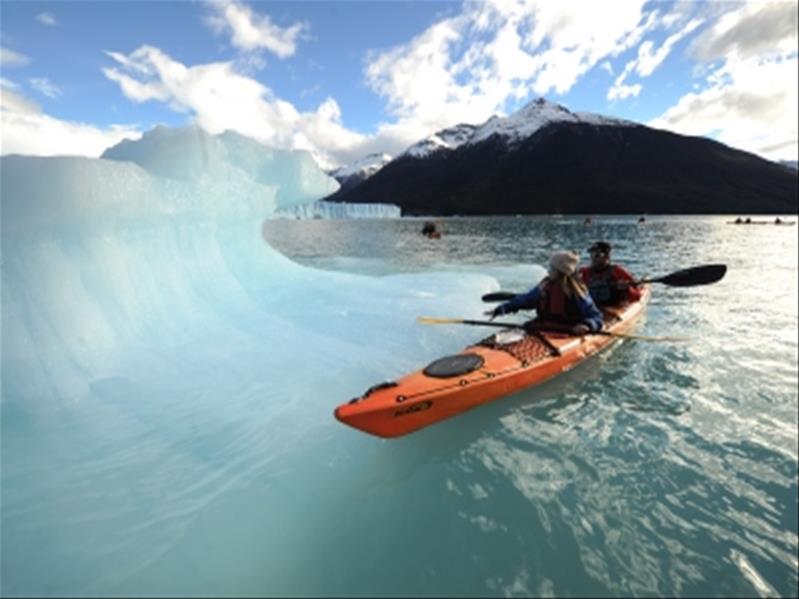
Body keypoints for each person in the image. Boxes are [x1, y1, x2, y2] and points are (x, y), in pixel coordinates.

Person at [485, 251, 603, 335]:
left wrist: (587, 325)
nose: (548, 271)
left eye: (551, 268)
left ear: (561, 271)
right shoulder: (545, 286)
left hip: (567, 331)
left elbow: (596, 317)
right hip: (542, 326)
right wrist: (500, 310)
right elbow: (525, 300)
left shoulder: (577, 292)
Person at [579, 241, 641, 306]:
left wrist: (627, 289)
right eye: (591, 255)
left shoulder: (618, 271)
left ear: (606, 256)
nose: (593, 258)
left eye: (597, 255)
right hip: (590, 308)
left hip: (613, 307)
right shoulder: (584, 272)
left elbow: (637, 296)